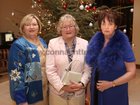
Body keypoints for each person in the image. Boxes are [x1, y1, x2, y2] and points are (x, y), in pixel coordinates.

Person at [85, 8, 136, 105]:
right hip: (96, 92)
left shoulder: (122, 43)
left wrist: (111, 84)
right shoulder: (95, 42)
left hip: (115, 92)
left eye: (110, 24)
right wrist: (88, 91)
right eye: (103, 23)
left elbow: (132, 72)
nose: (106, 27)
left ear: (116, 26)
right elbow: (92, 70)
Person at [46, 14, 91, 105]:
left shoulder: (85, 44)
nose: (68, 29)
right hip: (58, 93)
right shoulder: (53, 43)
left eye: (71, 26)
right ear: (60, 29)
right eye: (64, 27)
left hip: (78, 92)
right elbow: (50, 70)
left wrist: (82, 84)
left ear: (75, 28)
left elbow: (88, 69)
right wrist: (62, 86)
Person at [8, 14, 48, 105]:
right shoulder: (18, 45)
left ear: (39, 26)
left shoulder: (42, 41)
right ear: (23, 28)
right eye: (28, 25)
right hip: (29, 92)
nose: (31, 27)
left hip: (45, 88)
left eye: (34, 24)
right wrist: (21, 99)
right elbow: (15, 73)